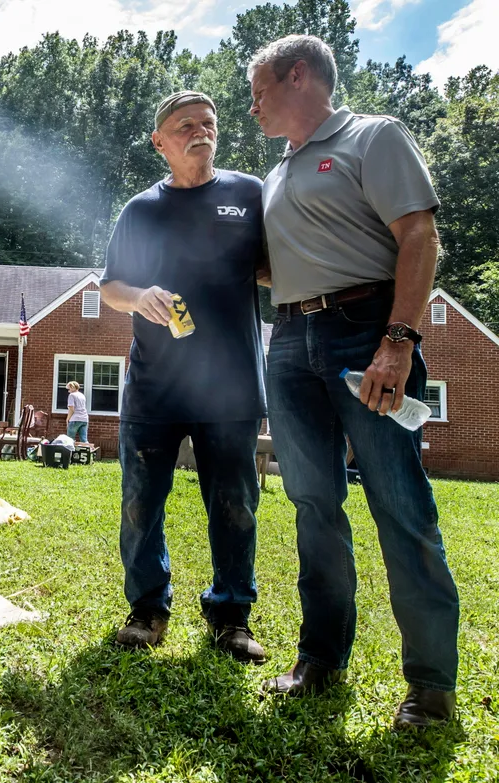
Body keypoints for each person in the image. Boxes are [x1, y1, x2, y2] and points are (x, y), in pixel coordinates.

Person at [249, 35, 459, 729]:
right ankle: (320, 659)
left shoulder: (374, 136)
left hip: (365, 330)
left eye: (258, 89)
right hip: (291, 340)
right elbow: (283, 262)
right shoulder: (278, 172)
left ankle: (430, 686)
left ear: (299, 75)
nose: (250, 106)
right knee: (314, 504)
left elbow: (419, 235)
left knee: (400, 505)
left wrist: (398, 341)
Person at [99, 90, 268, 663]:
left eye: (207, 122)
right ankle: (148, 609)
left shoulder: (249, 195)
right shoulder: (141, 210)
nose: (200, 131)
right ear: (160, 142)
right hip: (155, 386)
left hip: (232, 385)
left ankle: (231, 617)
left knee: (236, 502)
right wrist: (138, 295)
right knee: (141, 501)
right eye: (184, 125)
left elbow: (278, 267)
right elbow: (111, 287)